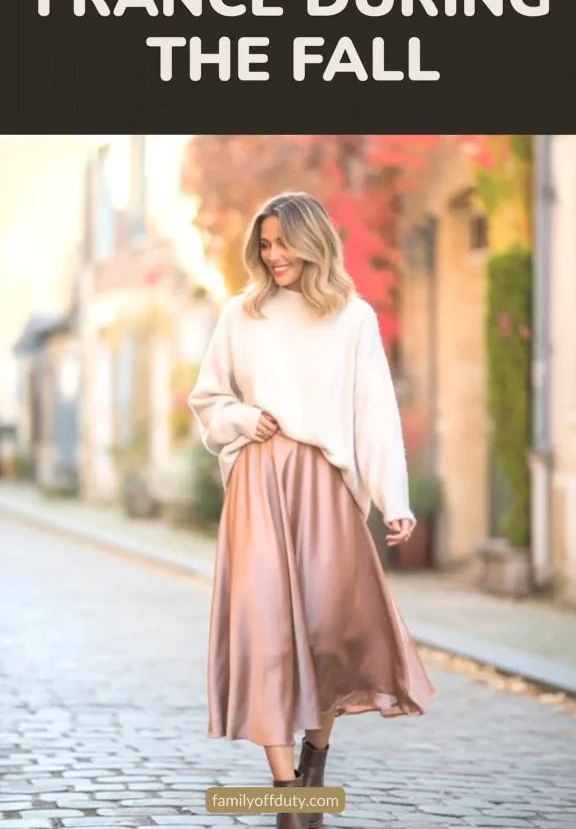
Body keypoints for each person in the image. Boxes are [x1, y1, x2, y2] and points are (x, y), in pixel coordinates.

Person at [188, 191, 437, 829]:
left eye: (283, 243)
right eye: (265, 244)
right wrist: (243, 417)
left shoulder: (353, 318)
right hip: (257, 484)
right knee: (263, 633)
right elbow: (208, 399)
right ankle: (288, 801)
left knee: (329, 633)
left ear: (313, 243)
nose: (273, 255)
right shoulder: (242, 315)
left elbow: (374, 412)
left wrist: (394, 499)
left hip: (326, 490)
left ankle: (313, 765)